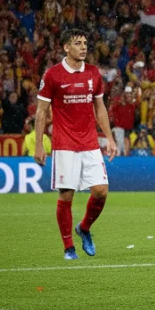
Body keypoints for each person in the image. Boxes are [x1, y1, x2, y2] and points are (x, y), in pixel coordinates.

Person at [33, 29, 118, 260]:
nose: (83, 47)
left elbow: (100, 108)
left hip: (90, 143)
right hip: (64, 144)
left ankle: (84, 228)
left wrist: (109, 138)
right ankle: (68, 248)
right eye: (78, 43)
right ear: (66, 47)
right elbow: (41, 112)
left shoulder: (93, 73)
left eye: (85, 43)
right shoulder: (52, 75)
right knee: (66, 195)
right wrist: (39, 144)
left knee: (101, 191)